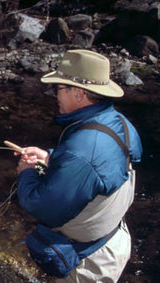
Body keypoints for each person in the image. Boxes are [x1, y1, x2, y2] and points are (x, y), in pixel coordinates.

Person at [15, 49, 143, 282]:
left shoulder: (82, 150)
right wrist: (49, 157)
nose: (55, 95)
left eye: (58, 89)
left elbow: (42, 206)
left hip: (90, 261)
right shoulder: (120, 122)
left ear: (79, 93)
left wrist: (26, 174)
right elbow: (103, 167)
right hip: (115, 238)